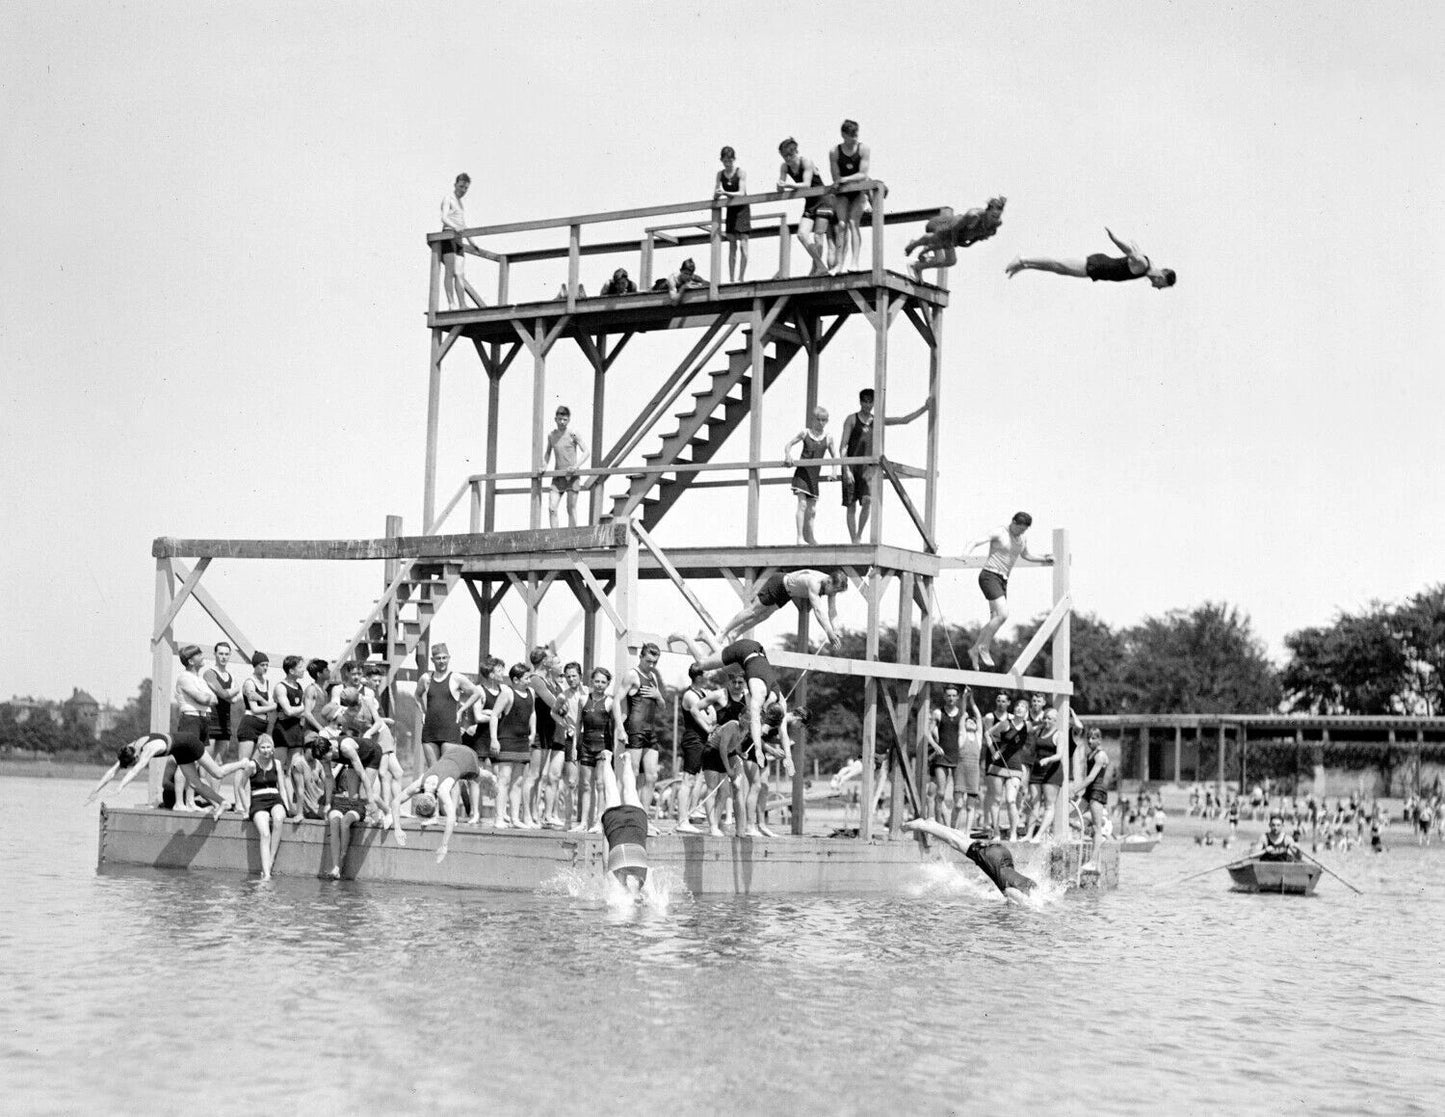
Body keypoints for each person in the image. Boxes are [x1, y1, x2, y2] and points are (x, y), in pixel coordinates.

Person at [673, 633, 796, 775]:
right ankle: (686, 637)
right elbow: (755, 724)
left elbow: (783, 733)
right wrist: (758, 749)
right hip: (744, 649)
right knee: (702, 664)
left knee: (727, 667)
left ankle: (706, 637)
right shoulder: (758, 694)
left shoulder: (781, 702)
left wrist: (789, 757)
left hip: (756, 653)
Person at [90, 725, 246, 817]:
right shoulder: (129, 750)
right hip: (178, 751)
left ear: (137, 756)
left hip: (189, 742)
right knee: (196, 784)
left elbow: (136, 771)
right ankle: (223, 802)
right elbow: (112, 771)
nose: (135, 763)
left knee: (217, 773)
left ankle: (243, 763)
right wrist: (95, 790)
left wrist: (119, 788)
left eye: (135, 762)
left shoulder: (150, 748)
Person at [838, 388, 930, 544]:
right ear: (860, 402)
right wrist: (846, 468)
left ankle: (859, 534)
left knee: (867, 501)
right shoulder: (851, 419)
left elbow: (903, 420)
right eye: (865, 401)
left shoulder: (876, 420)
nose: (868, 405)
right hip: (852, 465)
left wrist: (924, 408)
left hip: (868, 467)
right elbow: (843, 446)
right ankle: (853, 538)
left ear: (874, 403)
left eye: (870, 402)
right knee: (851, 505)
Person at [963, 512, 1053, 668]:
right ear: (1013, 522)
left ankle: (974, 650)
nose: (1021, 532)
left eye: (1024, 530)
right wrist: (965, 555)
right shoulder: (1000, 532)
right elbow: (976, 541)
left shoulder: (1022, 539)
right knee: (1003, 614)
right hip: (989, 575)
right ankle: (984, 647)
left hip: (1003, 580)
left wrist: (1044, 558)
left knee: (995, 619)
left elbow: (1027, 555)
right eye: (1019, 529)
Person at [904, 819, 1038, 904]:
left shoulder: (1032, 886)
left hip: (1004, 855)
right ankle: (921, 825)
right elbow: (1010, 895)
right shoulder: (1021, 896)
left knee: (963, 840)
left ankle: (933, 824)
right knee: (955, 842)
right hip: (992, 858)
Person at [1005, 228, 1176, 289]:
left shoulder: (1148, 267)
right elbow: (1131, 252)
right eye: (1162, 286)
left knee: (1058, 269)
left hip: (1098, 271)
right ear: (1162, 277)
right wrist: (1115, 239)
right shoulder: (1144, 265)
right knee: (1058, 264)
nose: (1158, 288)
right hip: (1097, 265)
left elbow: (1137, 250)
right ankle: (1022, 260)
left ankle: (1024, 265)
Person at [719, 568, 847, 648]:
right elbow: (818, 611)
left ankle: (734, 634)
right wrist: (829, 632)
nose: (832, 594)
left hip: (787, 593)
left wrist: (836, 629)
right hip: (779, 583)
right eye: (834, 590)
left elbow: (832, 610)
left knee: (763, 616)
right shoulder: (814, 582)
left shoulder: (831, 588)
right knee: (753, 611)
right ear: (829, 581)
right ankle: (724, 632)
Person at [396, 743, 481, 863]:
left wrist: (444, 846)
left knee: (481, 776)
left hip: (468, 756)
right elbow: (396, 802)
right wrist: (397, 829)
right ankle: (491, 778)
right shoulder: (421, 781)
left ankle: (491, 778)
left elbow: (451, 818)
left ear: (436, 804)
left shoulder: (442, 790)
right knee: (477, 777)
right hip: (451, 753)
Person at [615, 643, 666, 830]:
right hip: (635, 728)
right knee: (633, 774)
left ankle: (644, 818)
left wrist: (658, 695)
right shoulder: (632, 675)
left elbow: (662, 706)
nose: (652, 665)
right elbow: (616, 700)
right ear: (641, 657)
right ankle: (629, 816)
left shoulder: (652, 677)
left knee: (652, 776)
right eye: (649, 661)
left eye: (655, 662)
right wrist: (620, 728)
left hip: (650, 730)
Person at [903, 197, 1007, 281]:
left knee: (951, 261)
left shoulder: (995, 225)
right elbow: (955, 229)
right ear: (987, 210)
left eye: (998, 216)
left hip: (958, 237)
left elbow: (977, 237)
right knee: (936, 240)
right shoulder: (973, 215)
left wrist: (969, 243)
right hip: (947, 226)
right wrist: (953, 242)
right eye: (993, 216)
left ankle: (917, 267)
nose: (995, 219)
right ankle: (913, 244)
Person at [675, 664, 725, 834]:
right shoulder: (690, 695)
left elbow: (714, 715)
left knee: (700, 779)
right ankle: (682, 819)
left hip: (703, 739)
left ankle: (691, 811)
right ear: (698, 677)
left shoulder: (704, 694)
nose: (707, 678)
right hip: (693, 738)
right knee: (688, 779)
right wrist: (710, 726)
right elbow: (702, 716)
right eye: (705, 675)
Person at [597, 748, 651, 899]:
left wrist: (605, 875)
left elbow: (605, 858)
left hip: (636, 825)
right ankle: (615, 760)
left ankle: (611, 760)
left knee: (628, 792)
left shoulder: (643, 877)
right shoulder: (643, 880)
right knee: (614, 792)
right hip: (624, 837)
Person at [236, 734, 291, 879]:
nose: (266, 750)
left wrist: (286, 806)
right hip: (258, 800)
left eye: (268, 747)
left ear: (273, 748)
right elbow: (241, 786)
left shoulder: (277, 763)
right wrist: (246, 809)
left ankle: (271, 860)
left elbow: (283, 787)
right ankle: (266, 874)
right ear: (258, 749)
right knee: (265, 833)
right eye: (263, 747)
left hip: (275, 798)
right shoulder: (252, 765)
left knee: (278, 818)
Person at [490, 663, 537, 828]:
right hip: (507, 740)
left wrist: (533, 732)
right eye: (526, 678)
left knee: (518, 782)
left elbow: (532, 713)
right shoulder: (507, 693)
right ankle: (499, 818)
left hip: (522, 741)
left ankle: (515, 818)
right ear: (516, 679)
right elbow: (494, 715)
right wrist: (494, 739)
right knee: (504, 779)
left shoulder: (530, 692)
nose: (529, 681)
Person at [775, 137, 831, 275]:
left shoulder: (806, 162)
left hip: (823, 199)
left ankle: (816, 269)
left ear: (795, 152)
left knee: (818, 235)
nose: (788, 159)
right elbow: (780, 187)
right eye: (784, 156)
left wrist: (788, 185)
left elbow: (806, 184)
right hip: (810, 203)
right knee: (802, 234)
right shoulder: (785, 167)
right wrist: (780, 186)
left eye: (790, 155)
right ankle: (820, 266)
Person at [414, 643, 474, 770]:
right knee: (433, 771)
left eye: (444, 658)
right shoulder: (426, 678)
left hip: (450, 730)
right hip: (430, 730)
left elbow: (476, 693)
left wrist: (461, 710)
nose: (442, 661)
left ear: (449, 658)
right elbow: (417, 696)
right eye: (438, 658)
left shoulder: (456, 678)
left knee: (449, 770)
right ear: (432, 660)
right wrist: (423, 712)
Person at [928, 684, 980, 826]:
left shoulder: (963, 715)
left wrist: (967, 696)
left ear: (957, 697)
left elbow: (966, 710)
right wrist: (935, 746)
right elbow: (927, 733)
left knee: (958, 798)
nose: (951, 698)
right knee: (940, 793)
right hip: (942, 756)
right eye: (948, 695)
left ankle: (953, 826)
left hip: (958, 758)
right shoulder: (938, 713)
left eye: (953, 695)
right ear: (944, 696)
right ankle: (938, 825)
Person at [783, 407, 837, 545]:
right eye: (818, 419)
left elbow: (834, 457)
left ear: (827, 421)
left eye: (823, 420)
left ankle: (810, 537)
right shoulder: (805, 433)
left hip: (814, 476)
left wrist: (834, 471)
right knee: (802, 504)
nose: (820, 422)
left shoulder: (828, 437)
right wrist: (788, 456)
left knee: (812, 510)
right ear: (813, 420)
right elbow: (789, 444)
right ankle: (800, 537)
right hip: (802, 473)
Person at [571, 667, 615, 833]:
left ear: (608, 683)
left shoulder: (610, 702)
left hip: (602, 747)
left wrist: (612, 751)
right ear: (591, 682)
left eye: (603, 682)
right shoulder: (583, 700)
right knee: (585, 785)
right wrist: (576, 747)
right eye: (597, 681)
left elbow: (614, 727)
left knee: (600, 785)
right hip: (586, 745)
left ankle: (599, 821)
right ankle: (583, 822)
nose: (599, 685)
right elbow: (577, 726)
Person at [523, 646, 561, 826]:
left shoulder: (549, 679)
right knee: (533, 775)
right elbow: (552, 702)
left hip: (548, 731)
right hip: (538, 731)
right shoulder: (536, 679)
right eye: (550, 656)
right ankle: (527, 815)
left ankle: (535, 813)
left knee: (541, 776)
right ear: (544, 661)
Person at [828, 120, 872, 273]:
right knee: (841, 225)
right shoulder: (835, 151)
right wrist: (841, 181)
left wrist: (845, 179)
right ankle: (839, 264)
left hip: (858, 191)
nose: (854, 138)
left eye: (856, 135)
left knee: (853, 223)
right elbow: (835, 176)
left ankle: (854, 263)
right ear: (843, 135)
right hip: (843, 192)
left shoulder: (863, 149)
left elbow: (863, 174)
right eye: (851, 135)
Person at [985, 697, 1031, 840]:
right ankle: (997, 832)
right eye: (1017, 706)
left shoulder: (1028, 726)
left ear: (1026, 711)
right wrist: (993, 752)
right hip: (998, 766)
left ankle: (1013, 833)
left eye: (1022, 706)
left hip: (1015, 767)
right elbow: (987, 734)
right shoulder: (1005, 723)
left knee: (1011, 800)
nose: (1019, 708)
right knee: (996, 800)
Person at [439, 172, 486, 311]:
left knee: (459, 273)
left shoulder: (461, 203)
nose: (463, 190)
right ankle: (451, 303)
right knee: (450, 271)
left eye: (465, 188)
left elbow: (463, 224)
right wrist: (455, 227)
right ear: (455, 185)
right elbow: (444, 218)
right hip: (448, 235)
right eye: (461, 187)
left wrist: (472, 242)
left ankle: (462, 304)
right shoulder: (449, 199)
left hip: (459, 238)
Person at [543, 406, 588, 529]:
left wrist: (576, 466)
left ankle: (572, 538)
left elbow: (586, 452)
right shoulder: (552, 435)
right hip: (558, 478)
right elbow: (548, 452)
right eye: (560, 419)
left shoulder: (573, 434)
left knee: (570, 508)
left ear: (568, 420)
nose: (562, 422)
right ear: (555, 419)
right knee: (552, 508)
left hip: (572, 477)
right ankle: (555, 539)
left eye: (565, 419)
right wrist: (544, 466)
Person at [201, 641, 241, 766]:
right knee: (206, 762)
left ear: (229, 656)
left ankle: (214, 787)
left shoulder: (230, 676)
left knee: (218, 763)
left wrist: (225, 694)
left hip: (225, 721)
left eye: (226, 654)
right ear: (215, 654)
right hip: (210, 719)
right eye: (221, 653)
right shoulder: (209, 673)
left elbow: (234, 700)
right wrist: (236, 689)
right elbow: (224, 694)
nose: (223, 657)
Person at [714, 146, 751, 282]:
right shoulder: (720, 174)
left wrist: (725, 193)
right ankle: (731, 278)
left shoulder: (740, 172)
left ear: (733, 159)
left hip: (742, 209)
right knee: (732, 246)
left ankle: (741, 277)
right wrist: (717, 194)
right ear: (722, 160)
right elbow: (716, 193)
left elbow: (741, 193)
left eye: (729, 160)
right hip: (731, 209)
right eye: (725, 160)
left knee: (743, 245)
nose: (727, 163)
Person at [1071, 726, 1112, 838]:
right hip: (1088, 791)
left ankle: (1095, 853)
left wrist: (1074, 791)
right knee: (1070, 819)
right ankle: (1087, 831)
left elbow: (1090, 778)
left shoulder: (1100, 755)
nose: (1089, 741)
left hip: (1097, 791)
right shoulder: (1090, 754)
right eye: (1088, 738)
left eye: (1093, 738)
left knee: (1096, 827)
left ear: (1099, 740)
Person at [270, 655, 309, 768]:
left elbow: (299, 712)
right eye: (300, 667)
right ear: (291, 670)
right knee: (280, 765)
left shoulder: (299, 686)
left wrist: (297, 711)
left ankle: (291, 786)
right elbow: (288, 711)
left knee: (294, 766)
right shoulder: (281, 687)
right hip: (283, 730)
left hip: (296, 729)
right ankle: (277, 786)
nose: (303, 670)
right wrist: (303, 707)